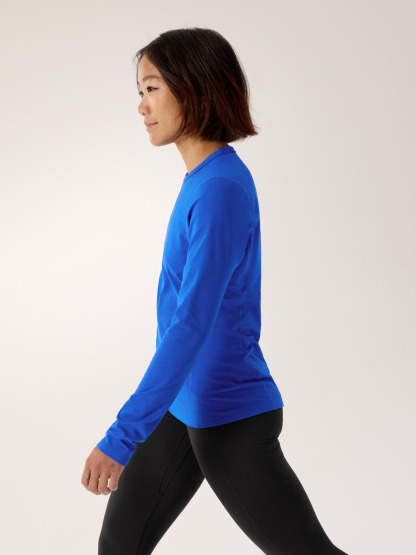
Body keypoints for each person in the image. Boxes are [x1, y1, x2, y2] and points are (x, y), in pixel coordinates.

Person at [81, 27, 349, 555]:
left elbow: (190, 325)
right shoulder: (204, 181)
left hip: (228, 414)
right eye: (140, 91)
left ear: (194, 88)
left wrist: (121, 435)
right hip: (184, 402)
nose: (141, 106)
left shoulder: (220, 189)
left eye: (152, 88)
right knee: (119, 545)